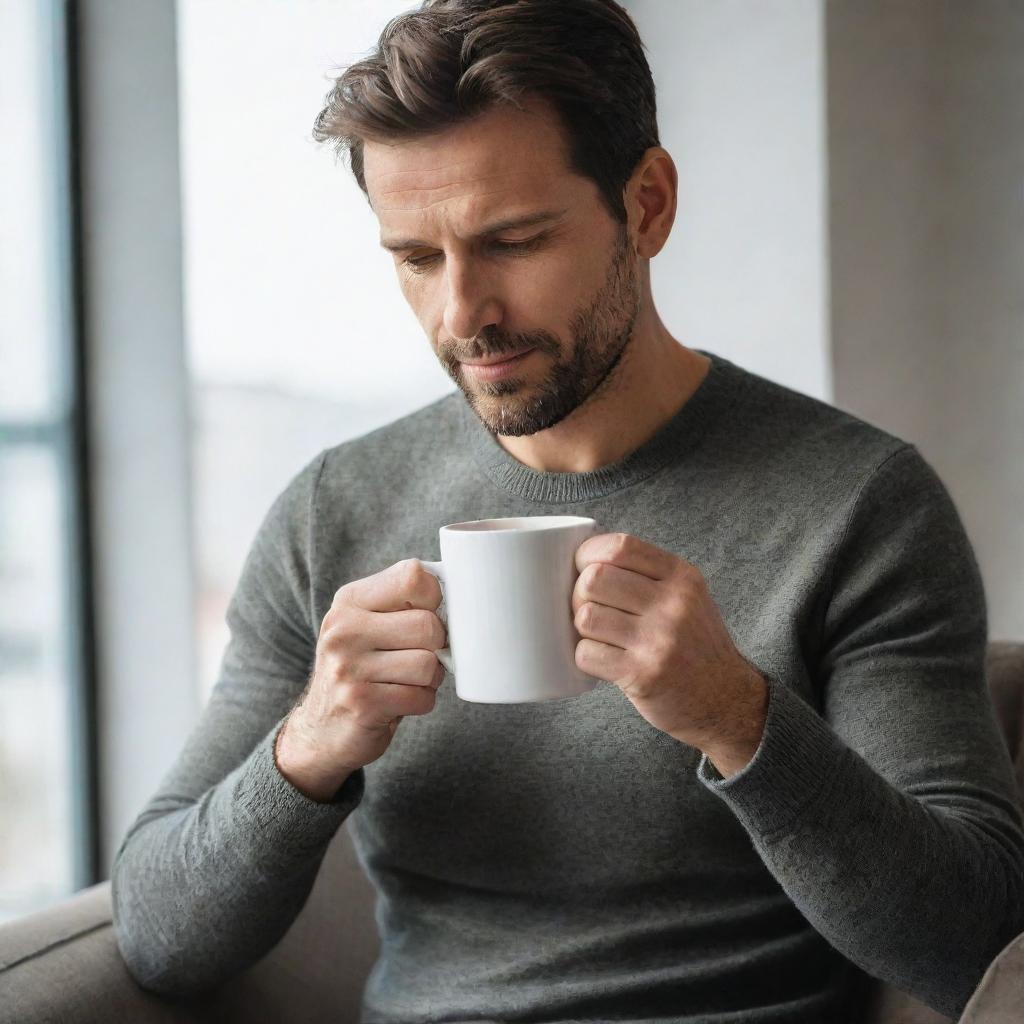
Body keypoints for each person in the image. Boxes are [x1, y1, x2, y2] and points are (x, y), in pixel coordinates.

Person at [110, 1, 1024, 1021]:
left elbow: (973, 943)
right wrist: (309, 744)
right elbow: (156, 934)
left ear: (647, 205)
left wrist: (736, 716)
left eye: (513, 240)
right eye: (416, 258)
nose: (463, 313)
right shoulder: (336, 509)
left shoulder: (858, 508)